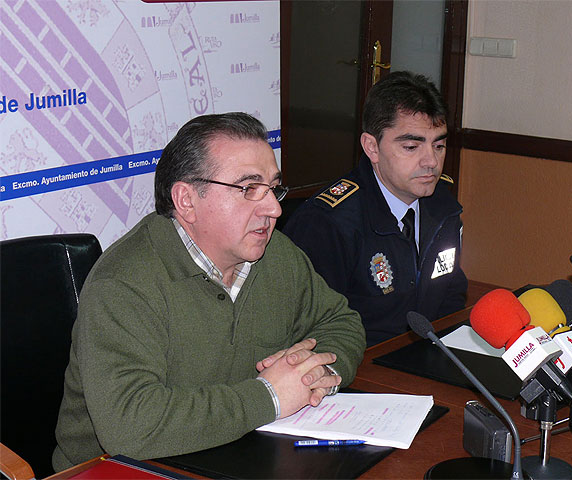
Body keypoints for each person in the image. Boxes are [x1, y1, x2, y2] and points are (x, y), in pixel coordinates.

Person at [52, 113, 366, 471]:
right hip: (117, 471)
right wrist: (269, 396)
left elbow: (341, 323)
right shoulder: (123, 284)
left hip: (236, 454)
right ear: (186, 200)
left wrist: (315, 376)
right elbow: (129, 428)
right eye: (249, 189)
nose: (274, 208)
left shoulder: (275, 253)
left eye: (274, 188)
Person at [283, 71, 468, 346]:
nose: (431, 161)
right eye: (411, 146)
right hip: (357, 372)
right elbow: (309, 330)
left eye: (439, 145)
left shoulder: (442, 207)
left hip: (426, 358)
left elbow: (451, 293)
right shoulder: (329, 223)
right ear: (372, 147)